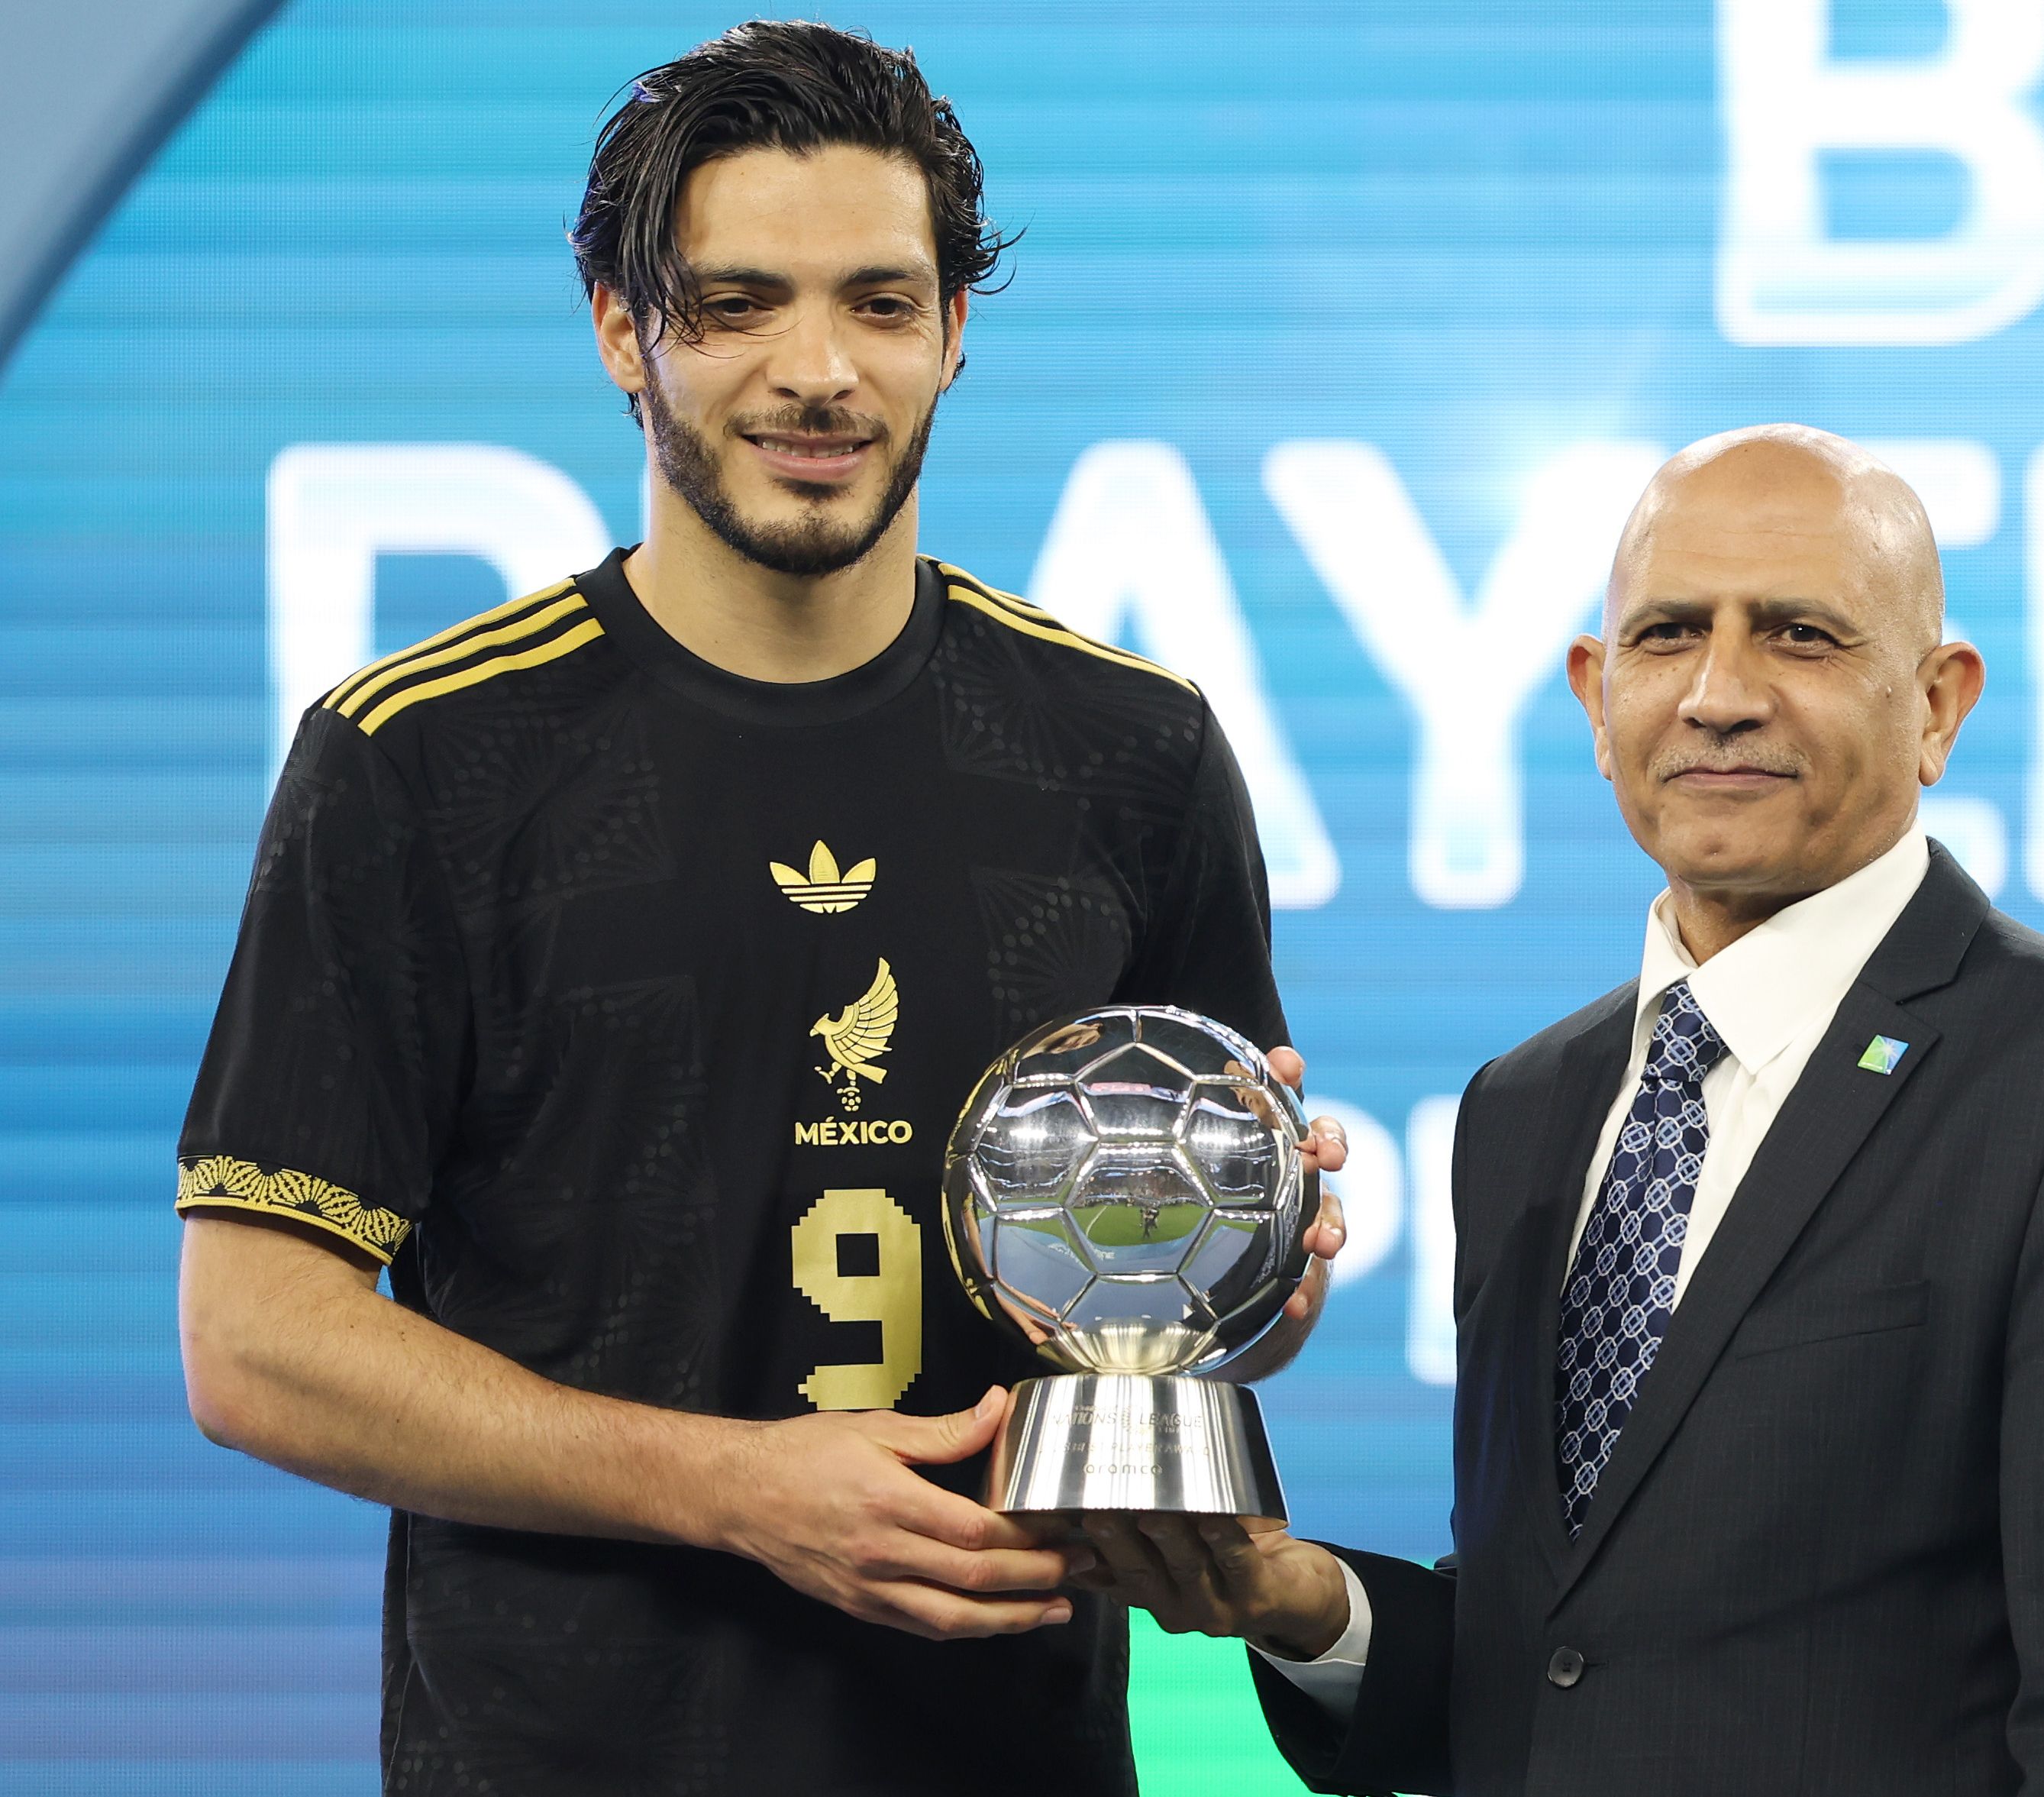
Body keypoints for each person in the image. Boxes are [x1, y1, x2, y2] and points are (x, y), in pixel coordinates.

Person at [170, 23, 1343, 1792]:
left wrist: (1262, 1274)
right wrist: (731, 1488)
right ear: (619, 329)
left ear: (953, 330)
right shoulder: (422, 758)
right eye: (737, 306)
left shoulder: (1131, 750)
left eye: (880, 303)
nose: (820, 372)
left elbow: (1182, 1309)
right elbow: (255, 1341)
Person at [1074, 425, 2044, 1794]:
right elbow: (1572, 1658)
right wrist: (1308, 1604)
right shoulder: (1527, 1107)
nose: (1719, 695)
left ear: (1938, 705)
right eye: (1668, 635)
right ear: (1597, 701)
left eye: (1800, 635)